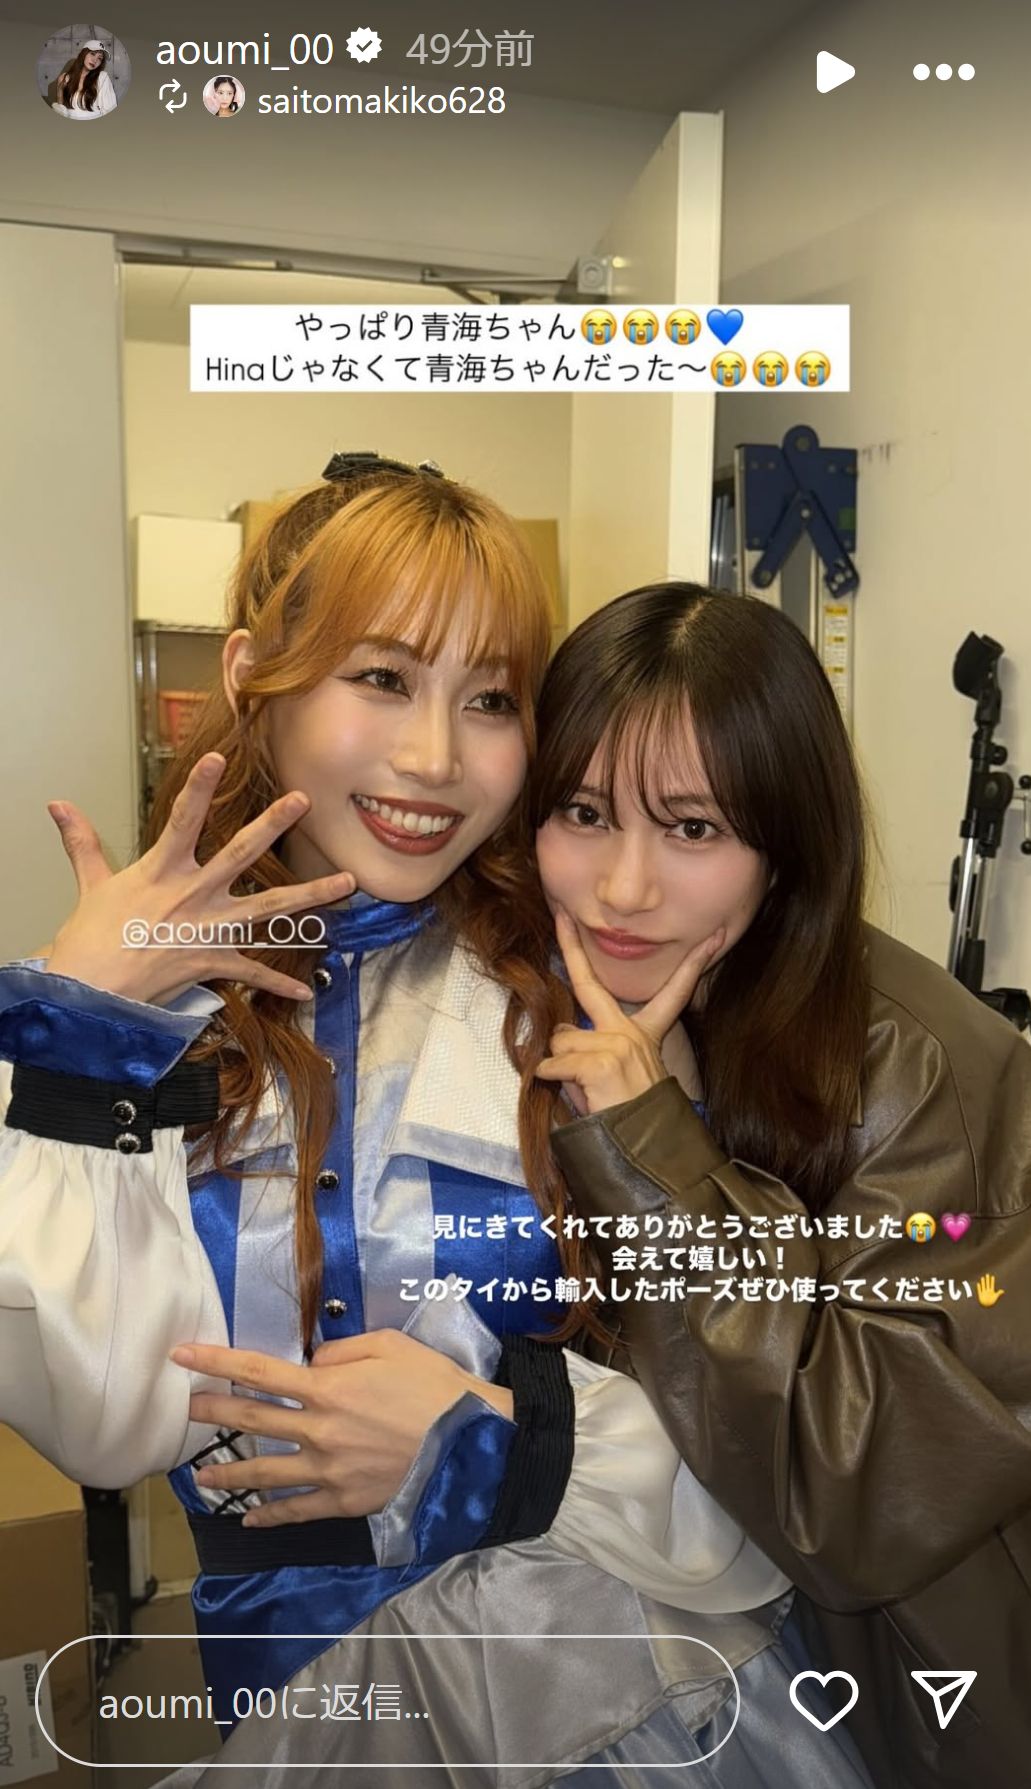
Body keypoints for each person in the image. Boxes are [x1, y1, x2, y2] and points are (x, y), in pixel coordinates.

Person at [0, 464, 865, 1785]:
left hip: (612, 1708)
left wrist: (497, 1442)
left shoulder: (587, 991)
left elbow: (759, 1453)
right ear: (253, 675)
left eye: (490, 699)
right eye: (382, 678)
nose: (433, 759)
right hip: (300, 1717)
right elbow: (103, 1423)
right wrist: (85, 1028)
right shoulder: (133, 1015)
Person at [497, 580, 1031, 1788]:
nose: (623, 888)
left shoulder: (917, 1072)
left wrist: (653, 1157)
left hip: (901, 1707)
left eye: (691, 828)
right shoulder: (608, 998)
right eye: (583, 812)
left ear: (785, 845)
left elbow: (861, 1487)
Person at [51, 39, 117, 119]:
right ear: (83, 53)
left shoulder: (102, 78)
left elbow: (109, 109)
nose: (95, 60)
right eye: (92, 54)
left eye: (100, 58)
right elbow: (60, 111)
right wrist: (60, 91)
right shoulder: (65, 78)